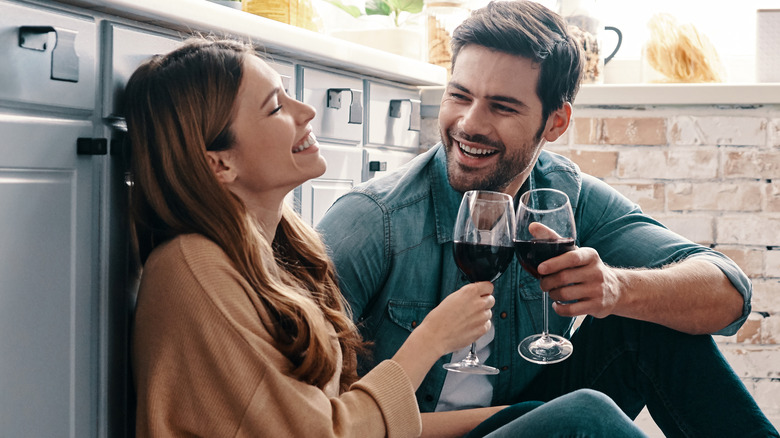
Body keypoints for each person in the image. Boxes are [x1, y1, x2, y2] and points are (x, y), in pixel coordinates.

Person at [318, 1, 780, 437]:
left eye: (502, 106)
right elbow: (303, 418)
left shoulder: (563, 196)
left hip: (522, 418)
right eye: (459, 96)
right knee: (586, 413)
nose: (469, 124)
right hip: (405, 430)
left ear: (556, 123)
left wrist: (617, 290)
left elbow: (729, 295)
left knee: (646, 322)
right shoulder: (372, 221)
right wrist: (526, 415)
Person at [126, 38, 498, 437]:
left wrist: (514, 416)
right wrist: (431, 339)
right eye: (275, 107)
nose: (307, 111)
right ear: (220, 163)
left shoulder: (281, 250)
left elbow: (336, 416)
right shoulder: (193, 267)